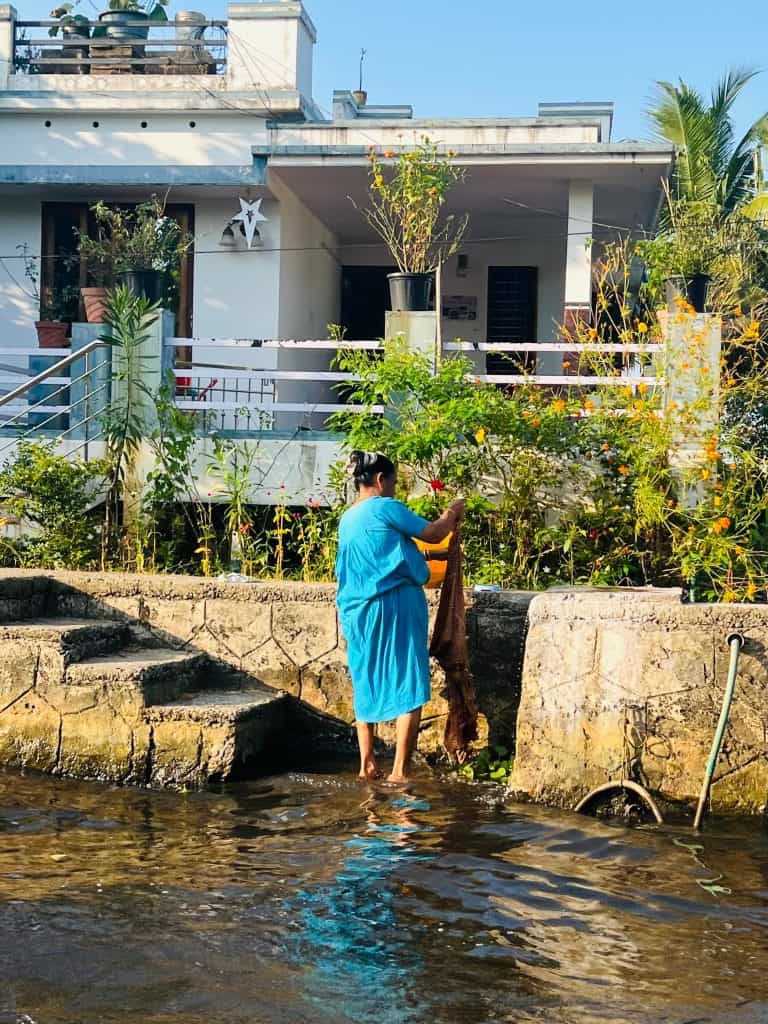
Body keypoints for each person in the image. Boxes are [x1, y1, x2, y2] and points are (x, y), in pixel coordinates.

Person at [335, 450, 464, 783]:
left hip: (356, 610)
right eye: (393, 482)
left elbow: (387, 551)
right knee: (409, 678)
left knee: (366, 680)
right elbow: (434, 533)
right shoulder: (386, 507)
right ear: (380, 480)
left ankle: (367, 764)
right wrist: (452, 514)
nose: (394, 488)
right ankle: (399, 772)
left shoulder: (349, 518)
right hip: (392, 606)